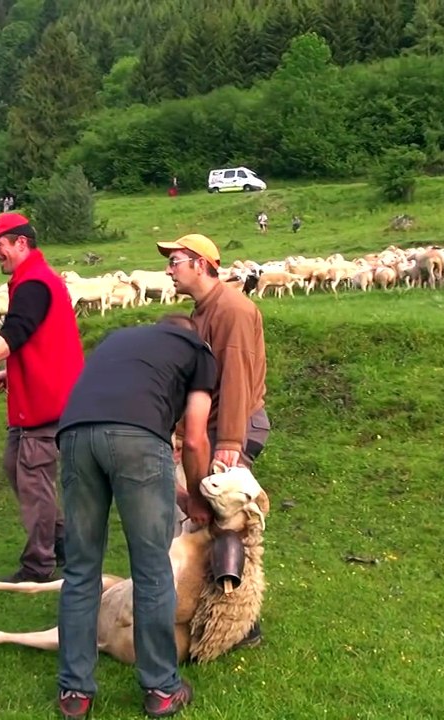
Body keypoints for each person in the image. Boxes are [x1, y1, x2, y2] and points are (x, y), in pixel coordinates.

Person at [53, 314, 216, 719]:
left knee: (81, 568)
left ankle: (74, 693)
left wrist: (174, 491)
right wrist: (197, 496)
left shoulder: (118, 340)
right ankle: (161, 689)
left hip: (74, 435)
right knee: (152, 569)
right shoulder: (197, 349)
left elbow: (111, 424)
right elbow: (194, 436)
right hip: (139, 440)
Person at [0, 212, 84, 583]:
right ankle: (63, 542)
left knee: (32, 480)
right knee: (16, 468)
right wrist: (17, 370)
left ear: (21, 242)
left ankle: (38, 566)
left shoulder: (35, 283)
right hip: (41, 393)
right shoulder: (33, 279)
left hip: (46, 402)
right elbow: (46, 337)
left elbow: (16, 332)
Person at [156, 233, 270, 649]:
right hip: (209, 429)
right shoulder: (202, 310)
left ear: (201, 264)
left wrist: (230, 443)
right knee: (199, 522)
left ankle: (241, 625)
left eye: (176, 262)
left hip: (230, 430)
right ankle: (203, 610)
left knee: (228, 525)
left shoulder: (232, 309)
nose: (169, 270)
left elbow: (237, 377)